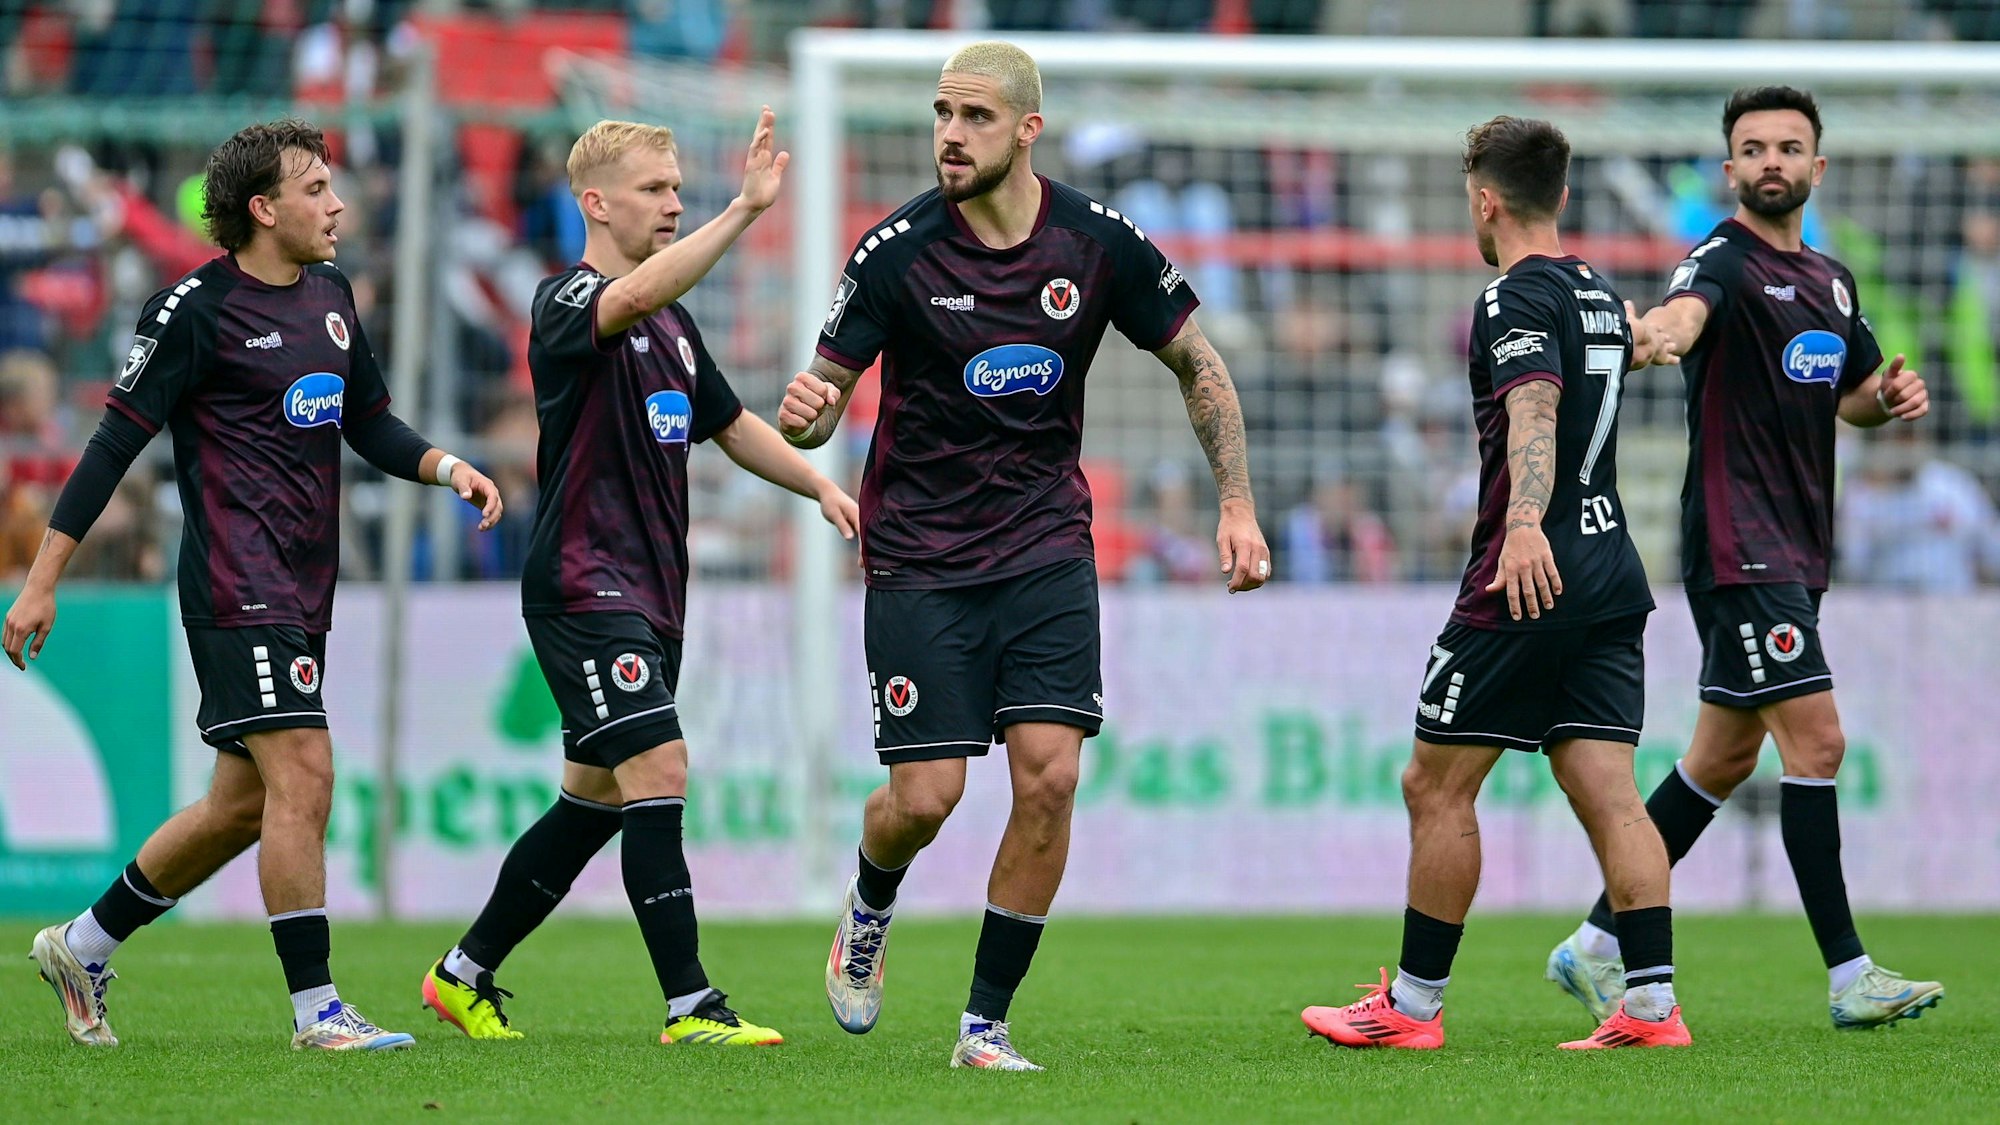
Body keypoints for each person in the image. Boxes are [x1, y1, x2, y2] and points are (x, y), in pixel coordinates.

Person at [779, 41, 1271, 1071]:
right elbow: (820, 402)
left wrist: (1236, 504)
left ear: (1027, 129)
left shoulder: (1097, 243)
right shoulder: (895, 252)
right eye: (941, 114)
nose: (950, 135)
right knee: (926, 799)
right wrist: (809, 414)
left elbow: (1198, 362)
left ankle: (984, 1027)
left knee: (1048, 779)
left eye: (975, 117)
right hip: (920, 555)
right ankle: (869, 904)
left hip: (1044, 546)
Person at [4, 118, 503, 1051]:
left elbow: (370, 421)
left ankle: (82, 944)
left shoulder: (332, 296)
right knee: (306, 771)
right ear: (264, 208)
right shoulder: (191, 310)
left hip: (306, 587)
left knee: (240, 805)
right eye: (316, 189)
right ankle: (318, 1011)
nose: (337, 204)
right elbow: (112, 446)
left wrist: (446, 467)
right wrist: (41, 581)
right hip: (237, 582)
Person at [419, 111, 859, 1048]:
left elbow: (731, 426)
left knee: (596, 799)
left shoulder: (676, 324)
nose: (673, 203)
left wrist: (820, 485)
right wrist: (743, 212)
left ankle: (462, 973)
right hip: (585, 583)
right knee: (660, 767)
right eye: (655, 188)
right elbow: (630, 296)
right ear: (595, 202)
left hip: (654, 591)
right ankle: (691, 1005)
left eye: (678, 189)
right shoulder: (565, 299)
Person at [1546, 86, 1943, 1030]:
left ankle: (1594, 943)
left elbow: (1852, 394)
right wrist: (1651, 336)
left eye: (1788, 147)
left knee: (1720, 759)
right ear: (1730, 170)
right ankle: (1850, 974)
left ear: (1817, 166)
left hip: (1798, 545)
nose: (1772, 161)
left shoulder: (1834, 282)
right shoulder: (1720, 260)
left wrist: (1888, 398)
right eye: (1754, 148)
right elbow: (1683, 317)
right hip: (1740, 543)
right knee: (1819, 743)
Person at [1302, 116, 1690, 1051]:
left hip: (1529, 572)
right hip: (1612, 568)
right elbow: (1631, 346)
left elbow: (1535, 406)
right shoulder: (1595, 290)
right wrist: (1653, 337)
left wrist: (1521, 526)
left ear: (1485, 201)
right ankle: (1651, 1007)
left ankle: (1412, 1007)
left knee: (1435, 783)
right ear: (1562, 196)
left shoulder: (1510, 297)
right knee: (1610, 789)